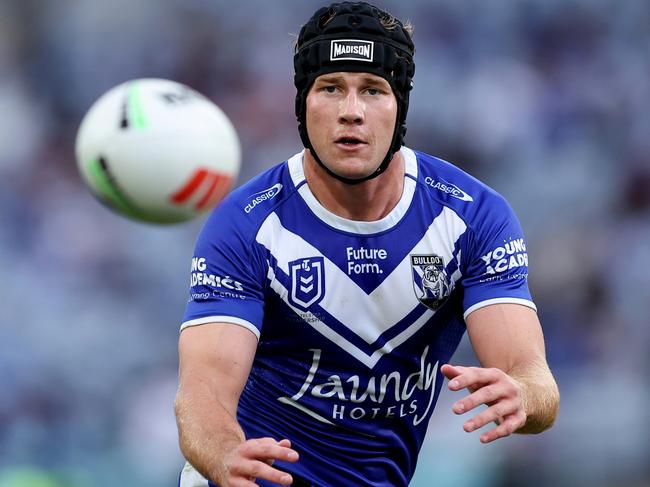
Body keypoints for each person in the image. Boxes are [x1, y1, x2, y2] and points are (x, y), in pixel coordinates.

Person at [174, 2, 560, 486]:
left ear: (400, 106)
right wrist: (224, 453)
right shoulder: (245, 224)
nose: (351, 112)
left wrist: (523, 394)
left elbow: (533, 377)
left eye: (373, 90)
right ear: (302, 105)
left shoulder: (471, 217)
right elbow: (202, 394)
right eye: (330, 88)